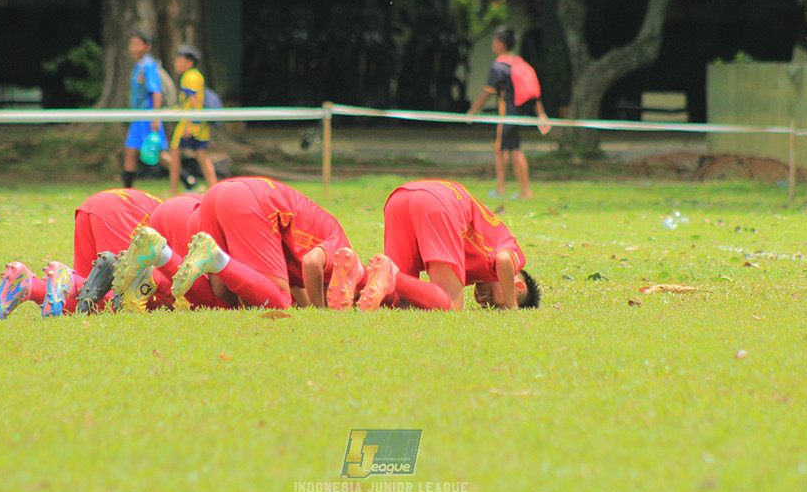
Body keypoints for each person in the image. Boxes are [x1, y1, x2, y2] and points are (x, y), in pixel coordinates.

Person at [116, 177, 360, 310]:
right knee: (279, 303)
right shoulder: (343, 251)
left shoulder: (324, 234)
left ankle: (160, 256)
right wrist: (319, 311)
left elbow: (296, 275)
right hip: (246, 201)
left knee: (223, 305)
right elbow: (310, 263)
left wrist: (306, 305)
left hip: (211, 197)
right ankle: (213, 258)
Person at [334, 179, 541, 312]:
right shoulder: (512, 255)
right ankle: (391, 275)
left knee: (402, 300)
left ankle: (358, 273)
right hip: (441, 204)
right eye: (496, 304)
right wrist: (512, 308)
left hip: (402, 196)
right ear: (518, 286)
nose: (484, 303)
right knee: (451, 306)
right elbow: (504, 261)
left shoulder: (478, 269)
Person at [0, 188, 163, 318]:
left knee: (87, 298)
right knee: (129, 298)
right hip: (122, 210)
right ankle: (61, 278)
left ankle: (27, 284)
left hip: (97, 205)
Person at [467, 25, 550, 200]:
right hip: (519, 113)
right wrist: (541, 114)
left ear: (500, 43)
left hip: (507, 114)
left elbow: (488, 92)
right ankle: (524, 191)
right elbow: (534, 94)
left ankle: (502, 189)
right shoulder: (520, 63)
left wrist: (473, 111)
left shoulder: (499, 67)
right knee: (514, 150)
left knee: (500, 150)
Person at [167, 44, 217, 198]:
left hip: (188, 124)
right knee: (202, 156)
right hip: (199, 124)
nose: (176, 64)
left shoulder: (189, 77)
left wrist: (189, 124)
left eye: (179, 60)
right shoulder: (196, 76)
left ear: (189, 62)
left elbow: (194, 101)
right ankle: (214, 189)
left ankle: (173, 191)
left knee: (174, 154)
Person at [122, 29, 168, 189]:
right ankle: (127, 191)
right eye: (131, 45)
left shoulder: (149, 66)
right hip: (138, 116)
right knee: (130, 150)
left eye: (137, 45)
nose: (133, 48)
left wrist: (155, 117)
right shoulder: (139, 66)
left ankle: (187, 179)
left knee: (159, 153)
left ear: (147, 47)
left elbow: (156, 91)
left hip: (148, 116)